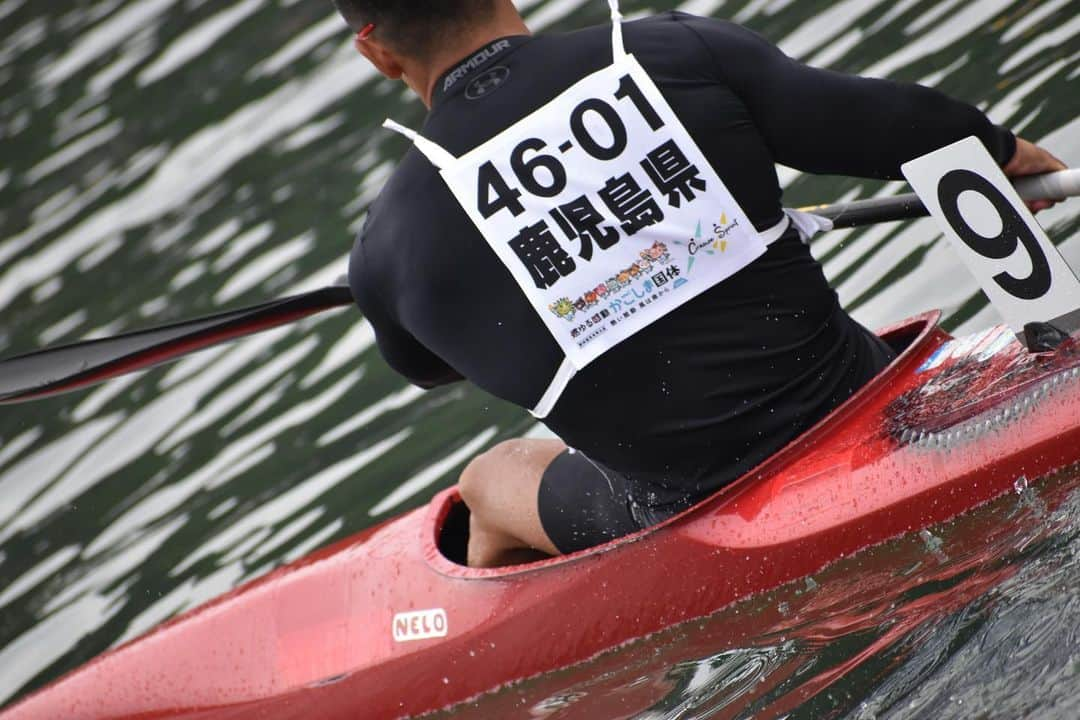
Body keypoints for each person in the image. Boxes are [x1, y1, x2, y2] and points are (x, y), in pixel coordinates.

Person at [330, 0, 1065, 567]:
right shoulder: (668, 52)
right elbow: (911, 130)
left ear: (376, 53)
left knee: (490, 479)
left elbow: (428, 366)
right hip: (857, 396)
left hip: (685, 506)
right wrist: (1007, 152)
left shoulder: (386, 253)